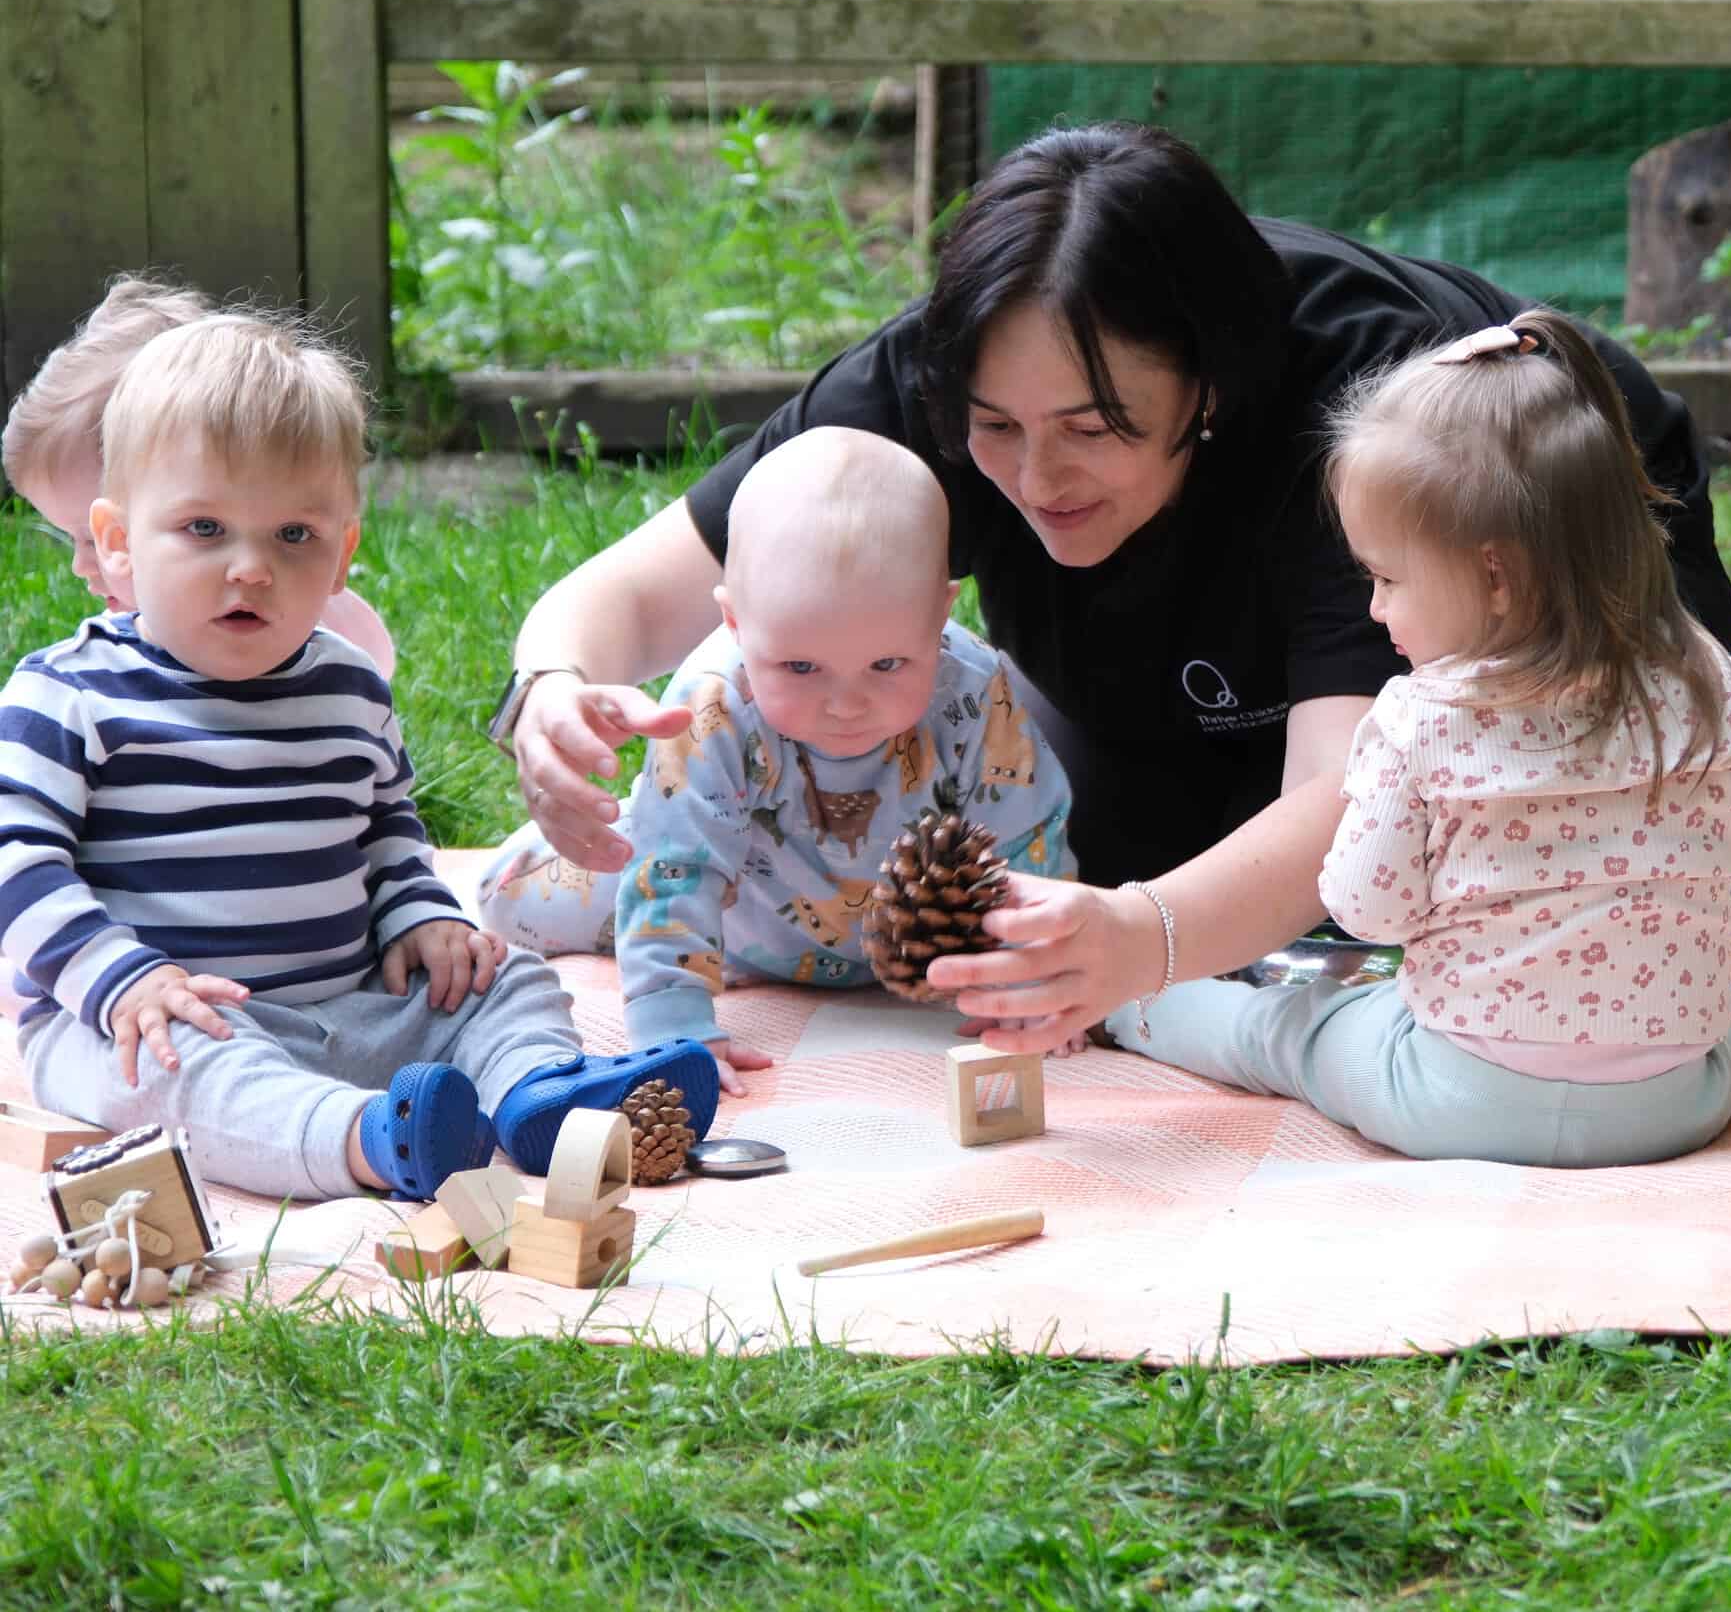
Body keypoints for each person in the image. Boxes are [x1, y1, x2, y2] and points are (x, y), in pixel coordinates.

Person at [495, 122, 1731, 1058]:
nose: (1038, 478)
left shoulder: (1367, 428)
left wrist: (1144, 941)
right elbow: (633, 592)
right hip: (1202, 675)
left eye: (1092, 427)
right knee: (1111, 846)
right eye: (996, 429)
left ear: (1206, 381)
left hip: (1557, 627)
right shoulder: (943, 384)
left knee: (1419, 889)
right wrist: (551, 692)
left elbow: (1351, 809)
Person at [1102, 311, 1731, 1165]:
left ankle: (1141, 1010)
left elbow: (1365, 910)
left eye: (1387, 578)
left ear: (1494, 576)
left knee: (1294, 1034)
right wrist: (1706, 846)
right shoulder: (1711, 678)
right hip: (1673, 1102)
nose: (1374, 608)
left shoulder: (1414, 719)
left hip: (1452, 1099)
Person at [0, 313, 714, 1204]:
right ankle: (370, 1141)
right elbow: (17, 862)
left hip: (348, 1005)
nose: (251, 567)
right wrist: (123, 979)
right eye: (204, 529)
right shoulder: (68, 695)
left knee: (506, 977)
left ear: (343, 553)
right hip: (163, 1014)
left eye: (293, 536)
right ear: (115, 542)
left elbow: (385, 827)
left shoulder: (346, 687)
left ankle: (541, 1095)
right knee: (177, 1077)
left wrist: (419, 918)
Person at [475, 428, 1079, 1089]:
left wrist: (1036, 981)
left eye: (887, 664)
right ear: (735, 624)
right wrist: (674, 1023)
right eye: (800, 666)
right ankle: (633, 821)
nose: (846, 704)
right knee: (513, 899)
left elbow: (1030, 842)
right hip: (730, 907)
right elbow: (674, 872)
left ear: (940, 613)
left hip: (902, 930)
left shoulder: (975, 689)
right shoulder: (711, 704)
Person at [3, 274, 397, 675]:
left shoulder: (309, 639)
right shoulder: (82, 682)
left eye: (89, 539)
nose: (82, 565)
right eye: (85, 537)